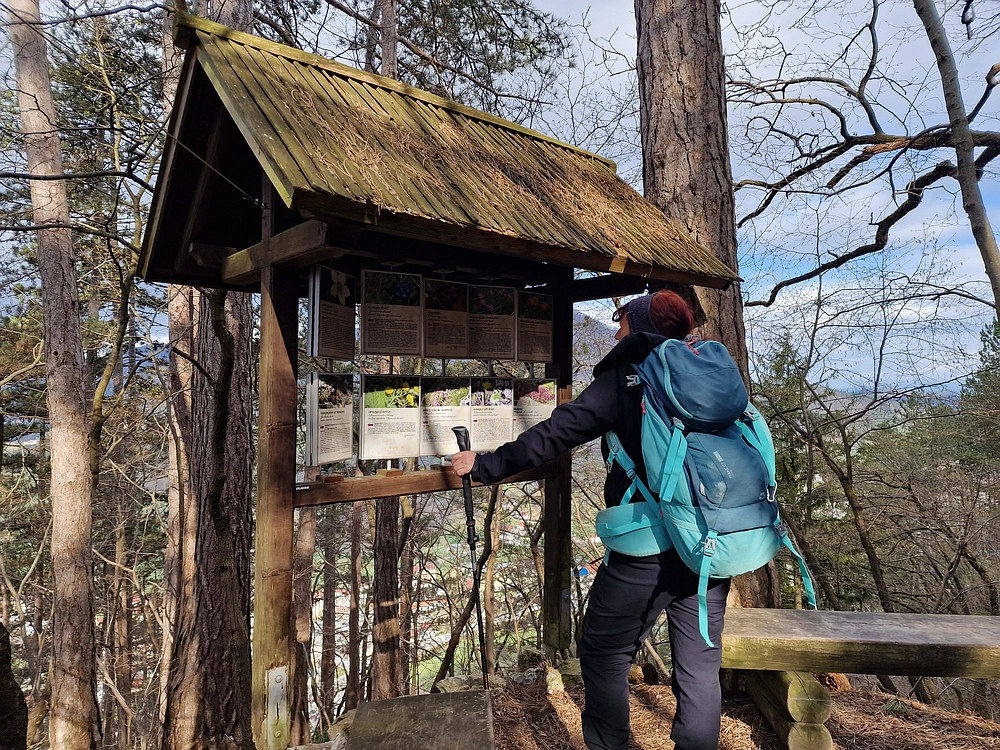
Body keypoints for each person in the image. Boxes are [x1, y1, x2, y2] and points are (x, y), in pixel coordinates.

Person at [452, 290, 730, 750]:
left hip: (651, 547)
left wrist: (483, 466)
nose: (615, 327)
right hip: (713, 542)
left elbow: (555, 433)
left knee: (604, 652)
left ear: (639, 325)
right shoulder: (713, 377)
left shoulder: (628, 377)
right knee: (699, 663)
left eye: (621, 318)